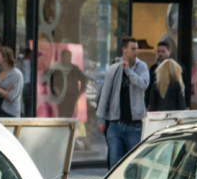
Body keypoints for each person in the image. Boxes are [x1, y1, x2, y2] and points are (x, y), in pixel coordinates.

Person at [95, 36, 150, 168]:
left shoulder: (141, 67)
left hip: (134, 125)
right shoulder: (113, 69)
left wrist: (129, 72)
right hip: (116, 125)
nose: (136, 52)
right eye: (133, 49)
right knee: (114, 163)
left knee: (133, 164)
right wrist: (100, 119)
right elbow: (105, 95)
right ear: (124, 49)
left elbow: (144, 84)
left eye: (137, 49)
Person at [46, 48, 89, 118]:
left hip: (71, 96)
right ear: (62, 57)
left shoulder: (74, 69)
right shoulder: (55, 68)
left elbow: (84, 78)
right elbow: (47, 79)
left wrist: (80, 91)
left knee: (69, 115)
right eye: (66, 56)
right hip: (60, 97)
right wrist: (54, 90)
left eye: (69, 56)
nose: (68, 58)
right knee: (61, 115)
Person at [0, 46, 24, 117]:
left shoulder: (17, 75)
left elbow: (11, 96)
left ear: (5, 58)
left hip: (11, 113)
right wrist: (4, 91)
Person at [145, 40, 171, 108]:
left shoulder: (174, 68)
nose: (160, 54)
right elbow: (149, 87)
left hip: (171, 103)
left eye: (163, 51)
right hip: (157, 103)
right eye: (158, 51)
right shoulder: (153, 69)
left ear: (169, 52)